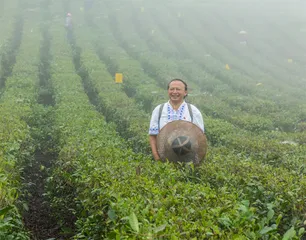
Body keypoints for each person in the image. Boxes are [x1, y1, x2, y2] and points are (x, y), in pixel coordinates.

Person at [149, 79, 205, 161]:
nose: (174, 92)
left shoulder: (193, 111)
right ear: (168, 91)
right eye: (172, 89)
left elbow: (200, 138)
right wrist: (157, 158)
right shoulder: (159, 110)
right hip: (163, 159)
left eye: (178, 89)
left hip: (188, 159)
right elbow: (153, 136)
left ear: (185, 92)